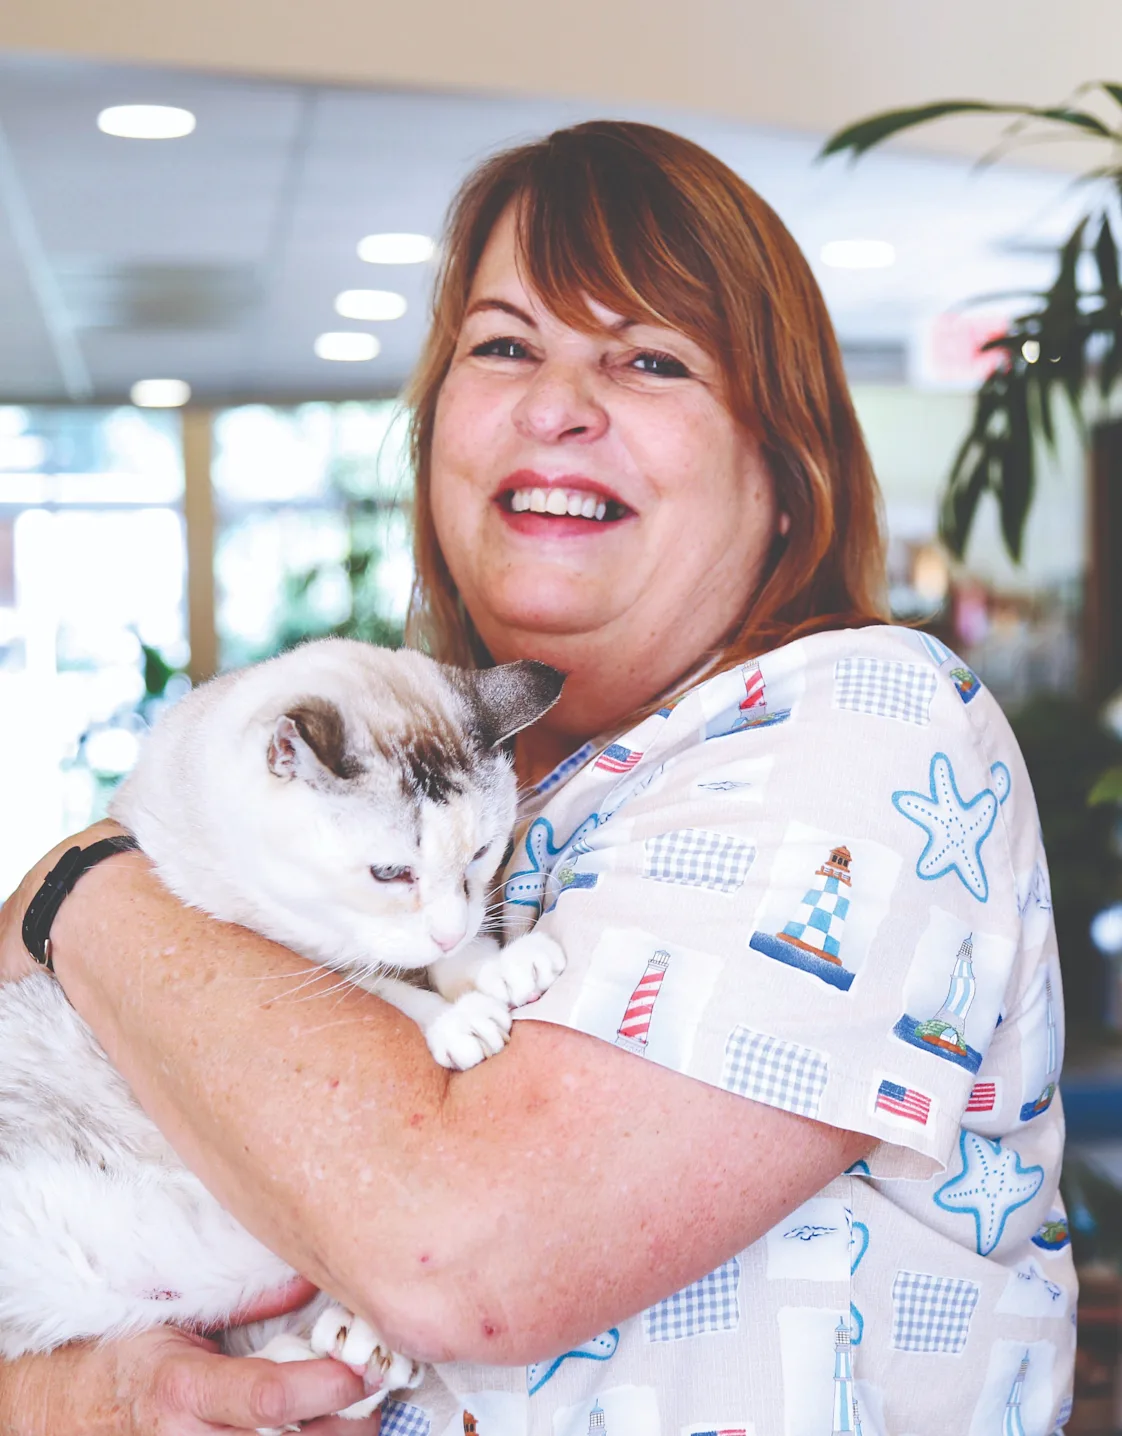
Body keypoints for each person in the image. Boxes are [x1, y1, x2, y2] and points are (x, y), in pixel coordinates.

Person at [0, 121, 1075, 1436]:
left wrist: (78, 887)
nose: (557, 404)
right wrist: (76, 1398)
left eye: (649, 360)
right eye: (504, 345)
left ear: (782, 473)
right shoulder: (440, 754)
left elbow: (462, 1255)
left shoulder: (867, 722)